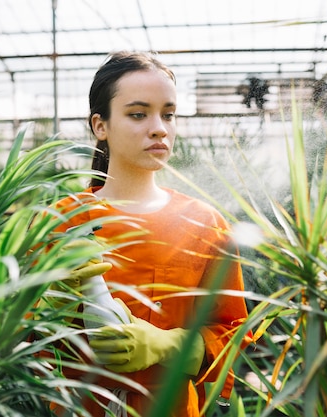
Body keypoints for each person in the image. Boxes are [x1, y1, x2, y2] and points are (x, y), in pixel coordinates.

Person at [45, 51, 251, 417]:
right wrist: (53, 301)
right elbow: (20, 337)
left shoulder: (204, 223)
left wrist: (169, 345)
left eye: (168, 114)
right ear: (100, 126)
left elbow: (233, 330)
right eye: (138, 114)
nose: (159, 127)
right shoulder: (64, 219)